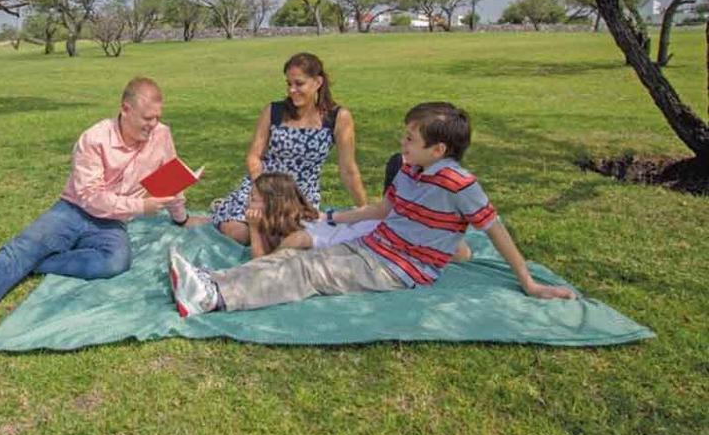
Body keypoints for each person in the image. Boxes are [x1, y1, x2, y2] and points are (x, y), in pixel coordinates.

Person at [169, 101, 576, 316]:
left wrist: (527, 281)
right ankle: (215, 280)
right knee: (294, 254)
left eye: (411, 139)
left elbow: (495, 230)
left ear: (439, 150)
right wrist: (330, 217)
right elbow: (382, 210)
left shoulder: (460, 184)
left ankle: (214, 298)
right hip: (375, 246)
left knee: (307, 271)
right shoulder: (410, 171)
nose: (403, 143)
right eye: (405, 135)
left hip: (400, 267)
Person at [0, 77, 187, 351]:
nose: (153, 125)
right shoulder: (94, 139)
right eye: (147, 118)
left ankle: (35, 264)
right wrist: (140, 207)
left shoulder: (161, 135)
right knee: (20, 250)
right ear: (125, 109)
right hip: (73, 210)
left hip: (112, 224)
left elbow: (171, 177)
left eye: (158, 118)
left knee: (115, 262)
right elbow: (91, 198)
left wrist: (181, 217)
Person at [199, 52, 367, 245]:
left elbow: (348, 169)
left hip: (298, 194)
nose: (292, 90)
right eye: (289, 84)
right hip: (262, 187)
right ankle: (225, 210)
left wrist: (364, 210)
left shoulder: (338, 118)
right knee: (239, 234)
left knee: (283, 240)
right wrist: (260, 189)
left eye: (299, 83)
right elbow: (254, 157)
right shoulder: (273, 111)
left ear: (318, 82)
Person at [242, 172, 379, 258]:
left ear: (272, 203)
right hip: (361, 226)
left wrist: (254, 230)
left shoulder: (296, 239)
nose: (247, 202)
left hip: (369, 236)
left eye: (253, 198)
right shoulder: (303, 216)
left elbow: (262, 265)